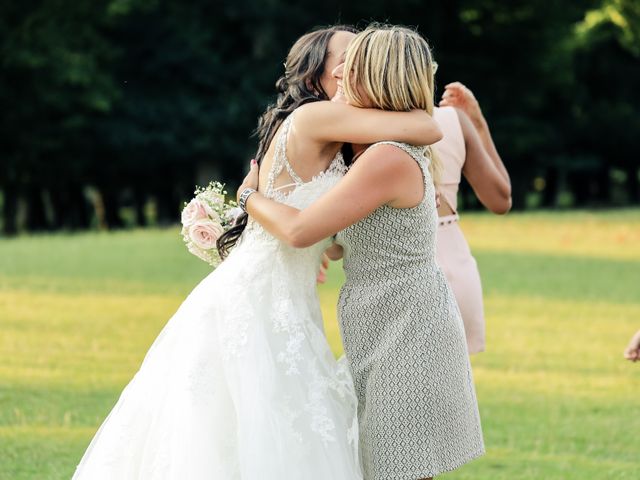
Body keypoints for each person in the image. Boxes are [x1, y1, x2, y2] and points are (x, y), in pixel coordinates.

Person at [72, 25, 442, 479]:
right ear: (315, 77)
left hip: (288, 293)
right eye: (344, 58)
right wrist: (247, 198)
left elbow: (324, 214)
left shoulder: (341, 140)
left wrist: (325, 247)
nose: (350, 66)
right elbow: (426, 126)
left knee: (279, 426)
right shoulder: (317, 118)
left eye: (358, 57)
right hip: (260, 297)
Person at [240, 24, 484, 480]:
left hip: (407, 326)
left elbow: (298, 232)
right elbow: (337, 243)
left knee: (397, 470)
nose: (343, 73)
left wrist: (247, 196)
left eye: (354, 64)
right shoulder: (376, 152)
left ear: (376, 75)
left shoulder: (387, 157)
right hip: (384, 318)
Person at [433, 82, 512, 353]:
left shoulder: (361, 126)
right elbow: (501, 199)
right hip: (457, 265)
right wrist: (477, 125)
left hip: (404, 272)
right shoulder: (451, 120)